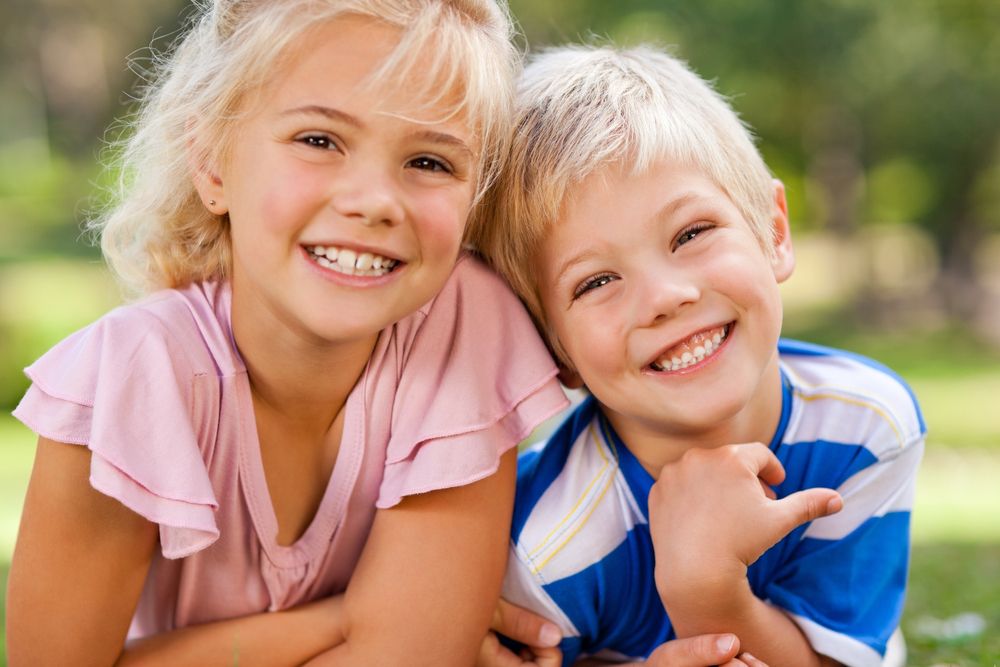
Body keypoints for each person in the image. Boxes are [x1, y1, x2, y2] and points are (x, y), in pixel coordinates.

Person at [6, 2, 570, 665]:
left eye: (429, 162)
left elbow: (409, 654)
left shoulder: (464, 327)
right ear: (213, 163)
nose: (374, 201)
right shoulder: (135, 377)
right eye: (319, 140)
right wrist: (354, 616)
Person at [472, 44, 925, 667]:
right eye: (596, 281)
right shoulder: (546, 547)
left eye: (690, 234)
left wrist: (704, 586)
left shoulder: (867, 427)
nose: (665, 297)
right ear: (554, 351)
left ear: (774, 233)